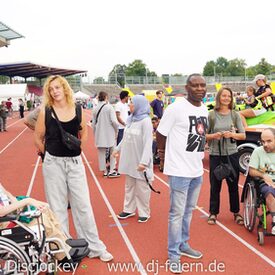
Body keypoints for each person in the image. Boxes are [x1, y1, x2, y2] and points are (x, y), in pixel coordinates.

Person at [34, 75, 113, 262]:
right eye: (51, 89)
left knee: (83, 205)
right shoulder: (46, 110)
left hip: (75, 162)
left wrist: (78, 147)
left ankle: (94, 246)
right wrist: (48, 155)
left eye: (57, 87)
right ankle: (63, 249)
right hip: (53, 163)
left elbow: (84, 132)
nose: (54, 91)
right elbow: (37, 137)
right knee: (57, 207)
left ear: (65, 88)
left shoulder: (77, 108)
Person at [156, 74, 208, 273]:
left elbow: (199, 135)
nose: (200, 88)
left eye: (202, 85)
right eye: (195, 85)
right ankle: (173, 254)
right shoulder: (176, 108)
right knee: (176, 213)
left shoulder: (203, 108)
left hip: (196, 169)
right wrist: (161, 156)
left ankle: (183, 245)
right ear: (187, 87)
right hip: (179, 170)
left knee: (188, 211)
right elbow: (161, 133)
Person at [0, 183, 89, 262]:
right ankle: (63, 256)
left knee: (45, 211)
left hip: (9, 212)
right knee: (42, 221)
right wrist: (27, 201)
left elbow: (6, 193)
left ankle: (63, 242)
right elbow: (1, 212)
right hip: (5, 223)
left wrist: (14, 200)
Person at [206, 87, 246, 226]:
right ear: (219, 97)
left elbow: (243, 135)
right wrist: (214, 136)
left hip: (232, 155)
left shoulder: (235, 115)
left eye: (229, 96)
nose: (226, 98)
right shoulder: (211, 115)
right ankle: (213, 213)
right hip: (216, 154)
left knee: (233, 184)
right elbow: (204, 135)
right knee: (215, 185)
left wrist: (232, 135)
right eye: (224, 96)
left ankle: (236, 212)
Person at [113, 95, 153, 223]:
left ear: (139, 105)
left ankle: (144, 212)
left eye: (132, 103)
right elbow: (125, 138)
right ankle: (128, 209)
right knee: (129, 186)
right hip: (129, 159)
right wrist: (117, 149)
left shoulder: (146, 121)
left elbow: (148, 143)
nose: (130, 105)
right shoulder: (131, 119)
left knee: (142, 188)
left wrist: (144, 162)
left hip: (140, 160)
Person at [249, 128, 275, 235]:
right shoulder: (258, 151)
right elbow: (252, 171)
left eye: (269, 141)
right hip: (265, 183)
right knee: (269, 192)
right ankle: (274, 223)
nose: (265, 144)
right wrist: (263, 176)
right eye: (263, 141)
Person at [92, 91, 120, 178]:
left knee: (101, 153)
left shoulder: (95, 109)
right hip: (109, 133)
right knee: (112, 151)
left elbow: (93, 124)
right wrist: (117, 129)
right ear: (106, 98)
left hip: (99, 133)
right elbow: (114, 121)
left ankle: (104, 171)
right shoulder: (109, 107)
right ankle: (112, 170)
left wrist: (95, 134)